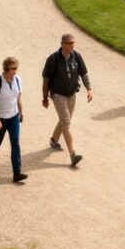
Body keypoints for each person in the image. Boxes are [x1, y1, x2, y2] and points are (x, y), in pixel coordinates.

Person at [41, 33, 92, 167]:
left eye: (73, 43)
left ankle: (54, 140)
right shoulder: (53, 59)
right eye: (69, 43)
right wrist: (45, 97)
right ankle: (73, 155)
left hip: (72, 94)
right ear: (62, 44)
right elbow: (46, 80)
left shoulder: (76, 56)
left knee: (65, 120)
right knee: (66, 122)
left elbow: (84, 73)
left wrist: (89, 89)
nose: (71, 46)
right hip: (58, 95)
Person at [0, 56, 27, 183]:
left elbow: (18, 98)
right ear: (6, 68)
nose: (15, 71)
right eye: (13, 68)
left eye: (16, 68)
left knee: (15, 143)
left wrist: (21, 113)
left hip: (14, 117)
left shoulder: (18, 80)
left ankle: (17, 173)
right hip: (1, 119)